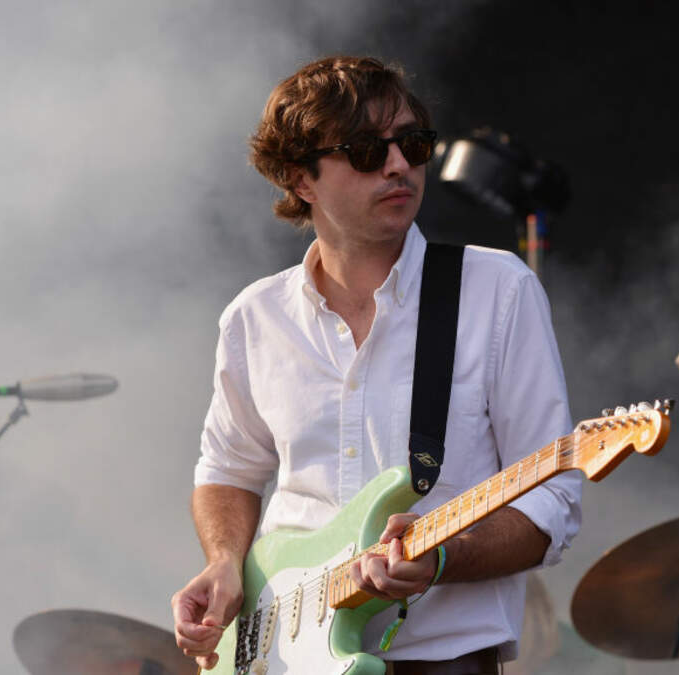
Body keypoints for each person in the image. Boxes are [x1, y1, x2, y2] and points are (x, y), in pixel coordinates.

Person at [171, 55, 582, 674]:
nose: (398, 166)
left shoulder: (497, 290)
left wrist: (443, 559)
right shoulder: (255, 317)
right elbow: (228, 469)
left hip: (442, 660)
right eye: (366, 151)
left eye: (412, 144)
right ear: (301, 179)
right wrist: (224, 562)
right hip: (280, 660)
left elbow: (553, 494)